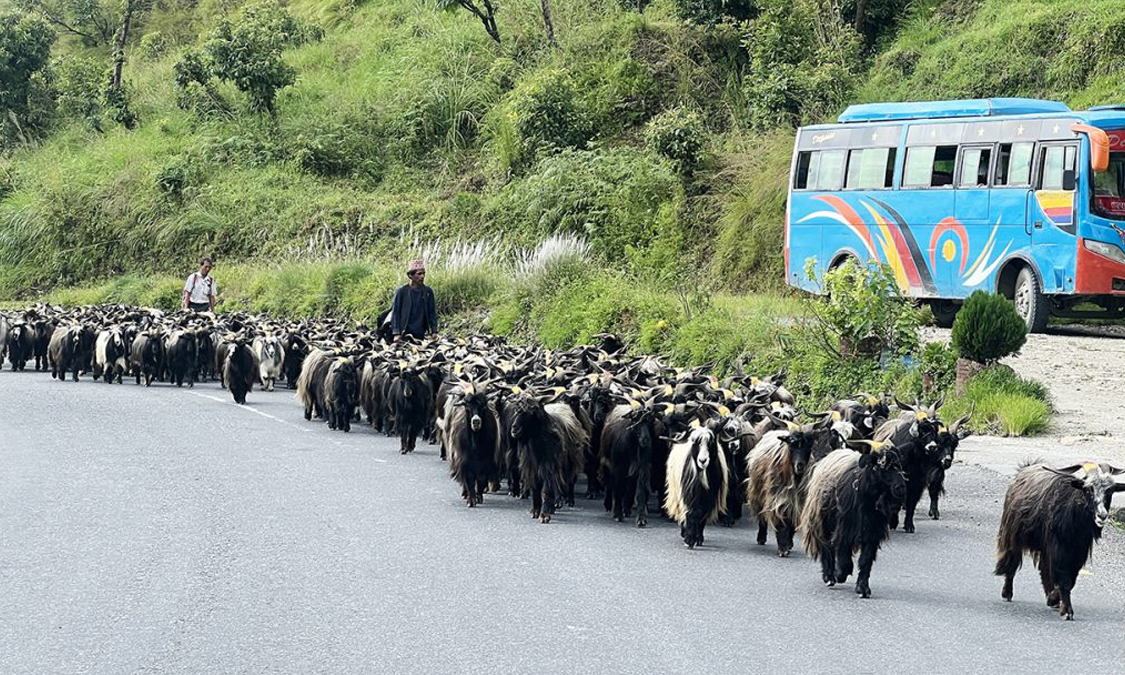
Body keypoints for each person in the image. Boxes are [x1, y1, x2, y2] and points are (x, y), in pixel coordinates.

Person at [390, 259, 438, 342]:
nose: (422, 276)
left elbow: (432, 313)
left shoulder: (428, 292)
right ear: (410, 276)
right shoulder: (402, 291)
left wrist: (434, 331)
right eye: (419, 274)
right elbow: (396, 313)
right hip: (404, 333)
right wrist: (396, 333)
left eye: (423, 273)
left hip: (420, 334)